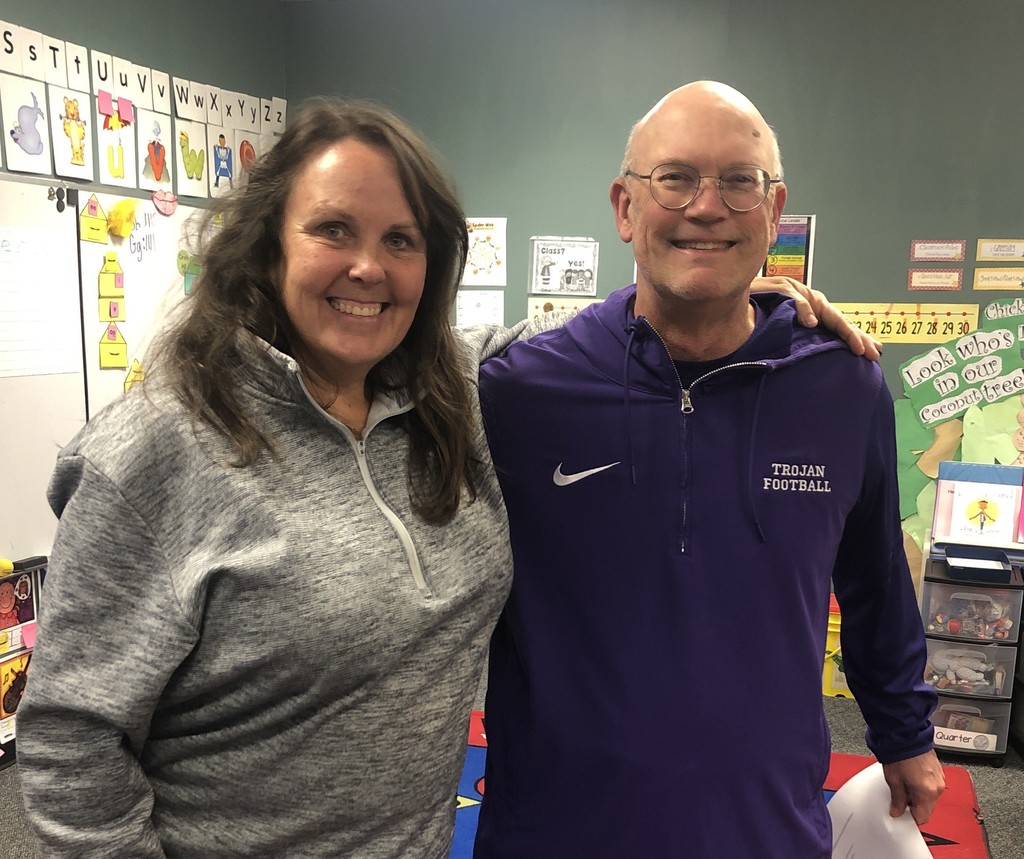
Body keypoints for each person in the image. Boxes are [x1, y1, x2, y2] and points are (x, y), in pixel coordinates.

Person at [16, 96, 874, 858]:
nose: (369, 268)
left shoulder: (453, 399)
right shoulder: (158, 451)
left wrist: (737, 298)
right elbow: (69, 742)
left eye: (401, 240)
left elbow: (603, 346)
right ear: (266, 243)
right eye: (332, 230)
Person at [475, 81, 944, 859]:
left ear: (773, 209)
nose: (706, 205)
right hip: (557, 829)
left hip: (763, 828)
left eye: (739, 181)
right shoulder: (518, 391)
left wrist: (904, 731)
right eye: (676, 178)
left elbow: (874, 578)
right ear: (625, 207)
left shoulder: (842, 386)